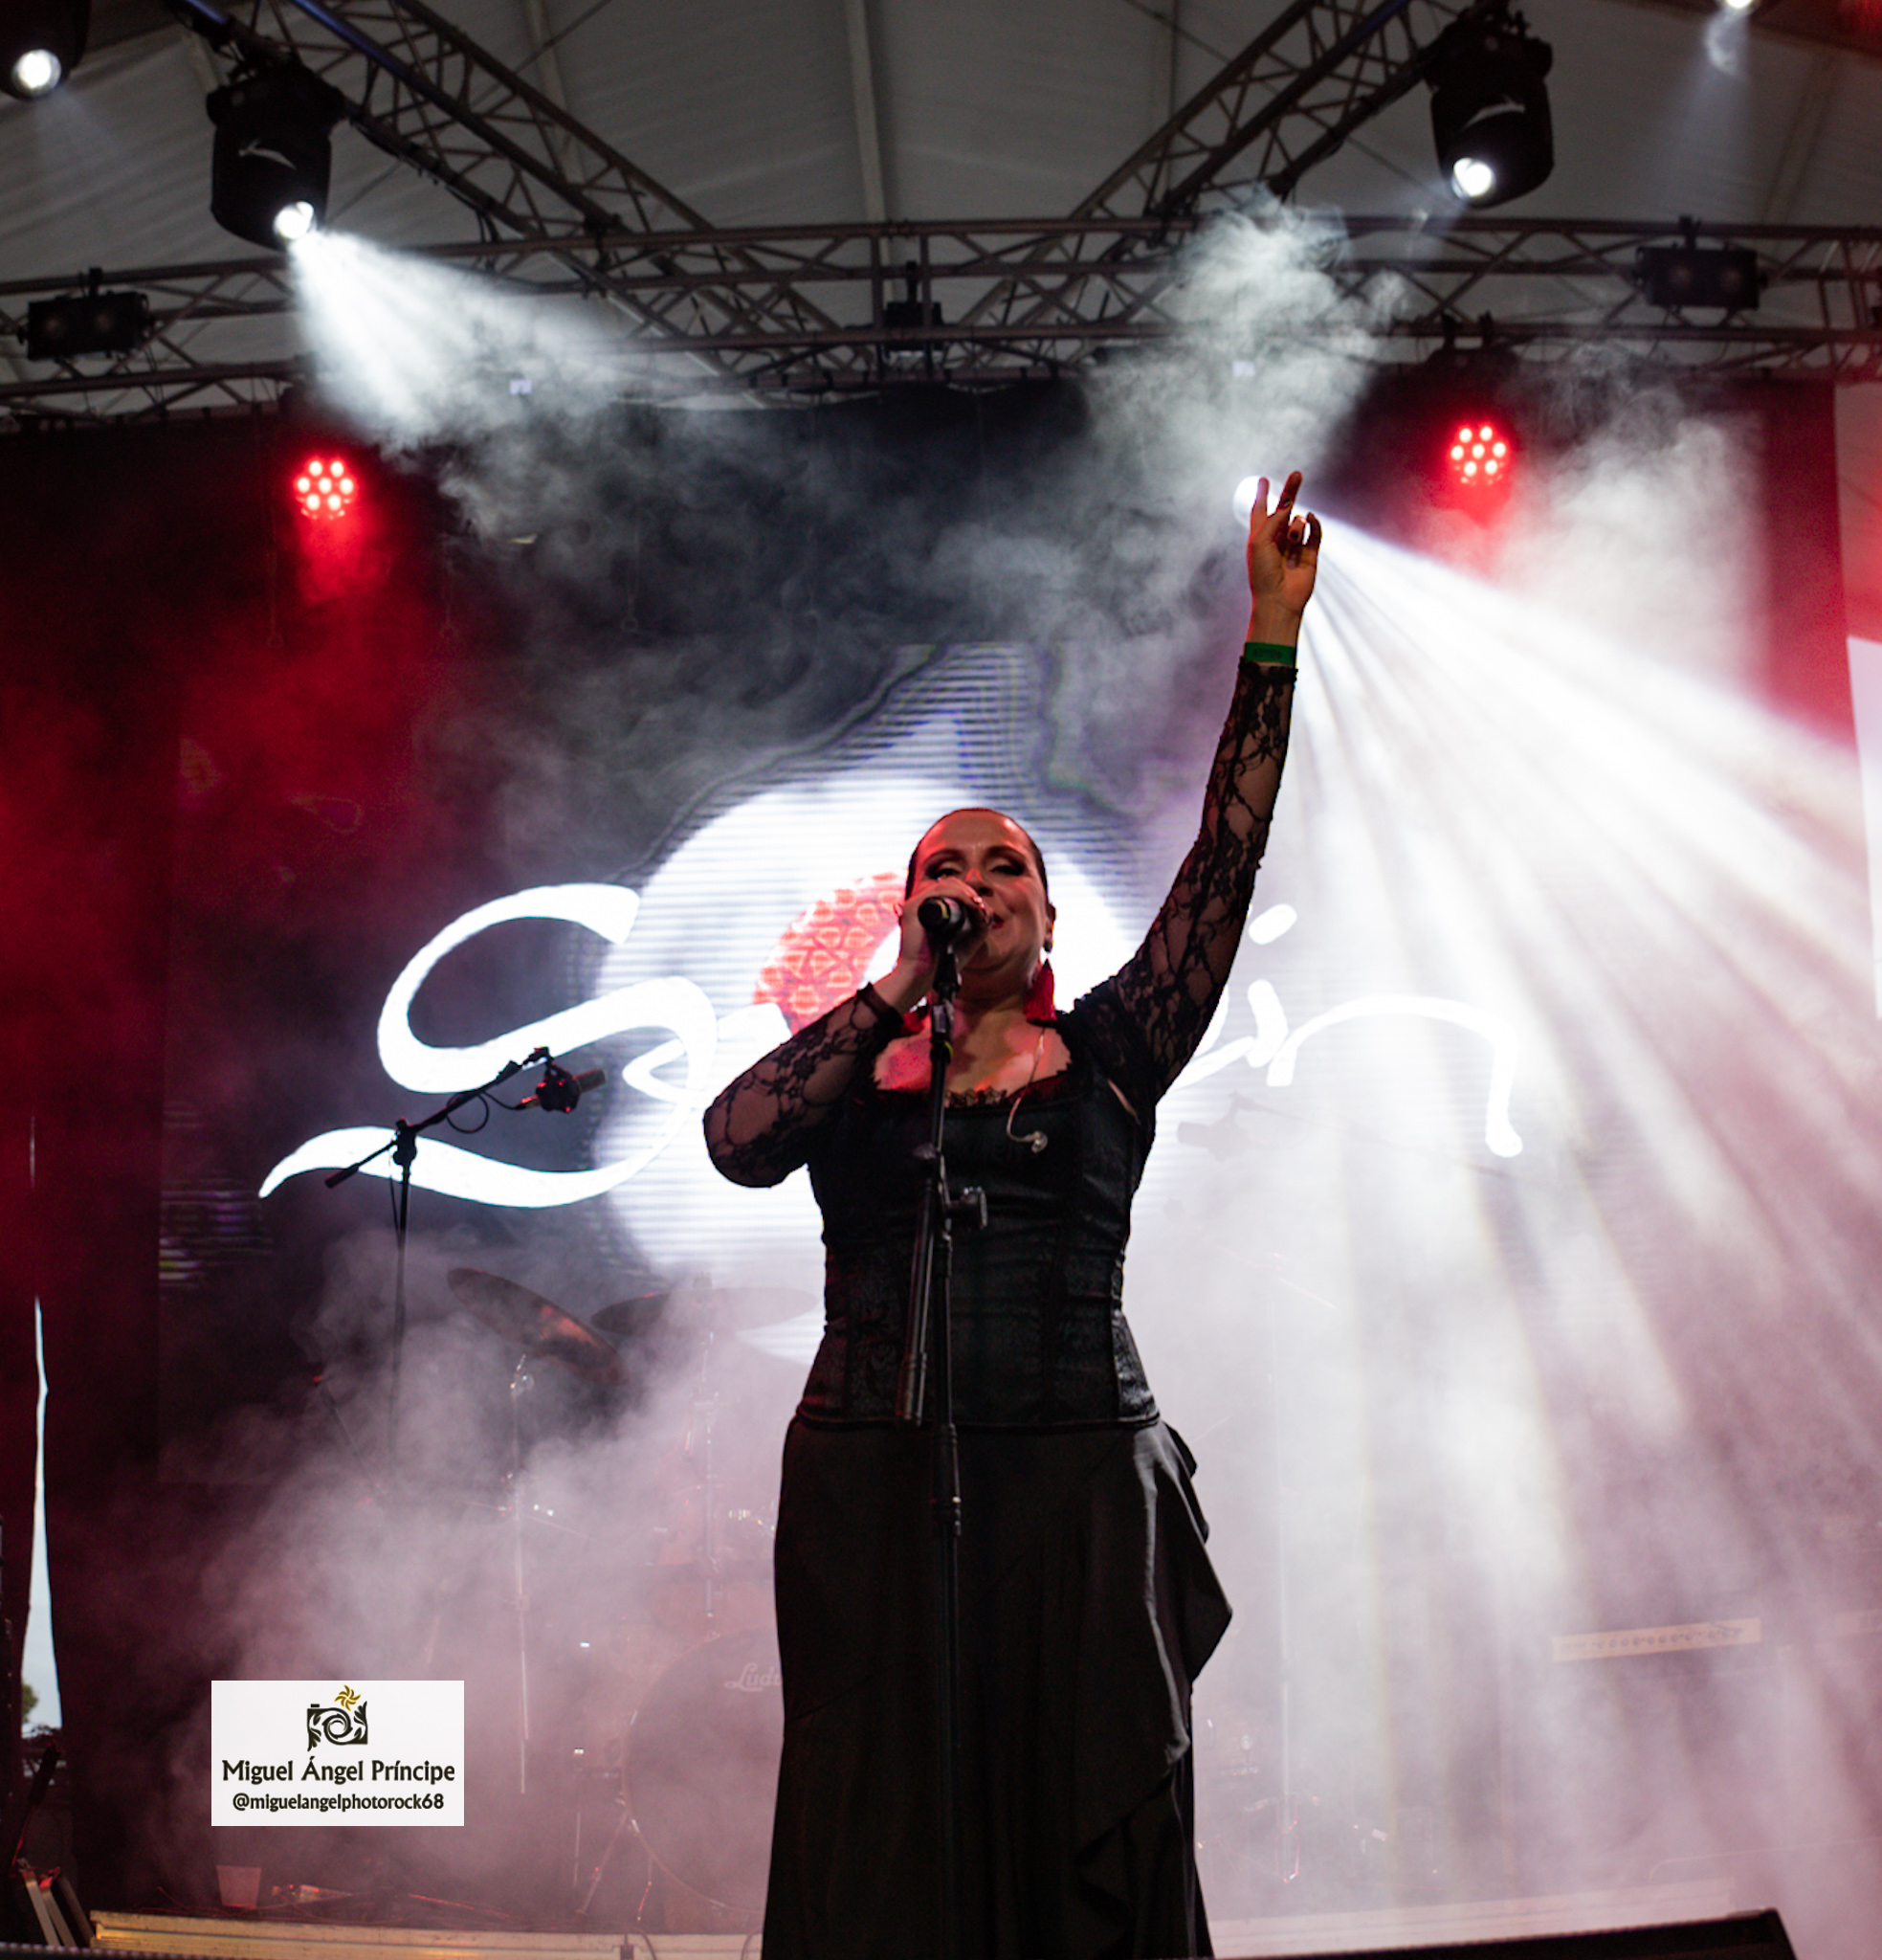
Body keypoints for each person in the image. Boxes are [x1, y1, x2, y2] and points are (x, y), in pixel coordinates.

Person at [703, 473, 1321, 1959]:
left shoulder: (1112, 1051)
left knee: (1077, 1801)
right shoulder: (850, 1071)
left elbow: (1223, 864)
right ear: (909, 909)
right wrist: (892, 992)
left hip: (1077, 1482)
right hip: (871, 1474)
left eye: (1005, 867)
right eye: (945, 867)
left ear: (1047, 916)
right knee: (882, 1805)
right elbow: (734, 1142)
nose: (974, 881)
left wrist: (1271, 637)